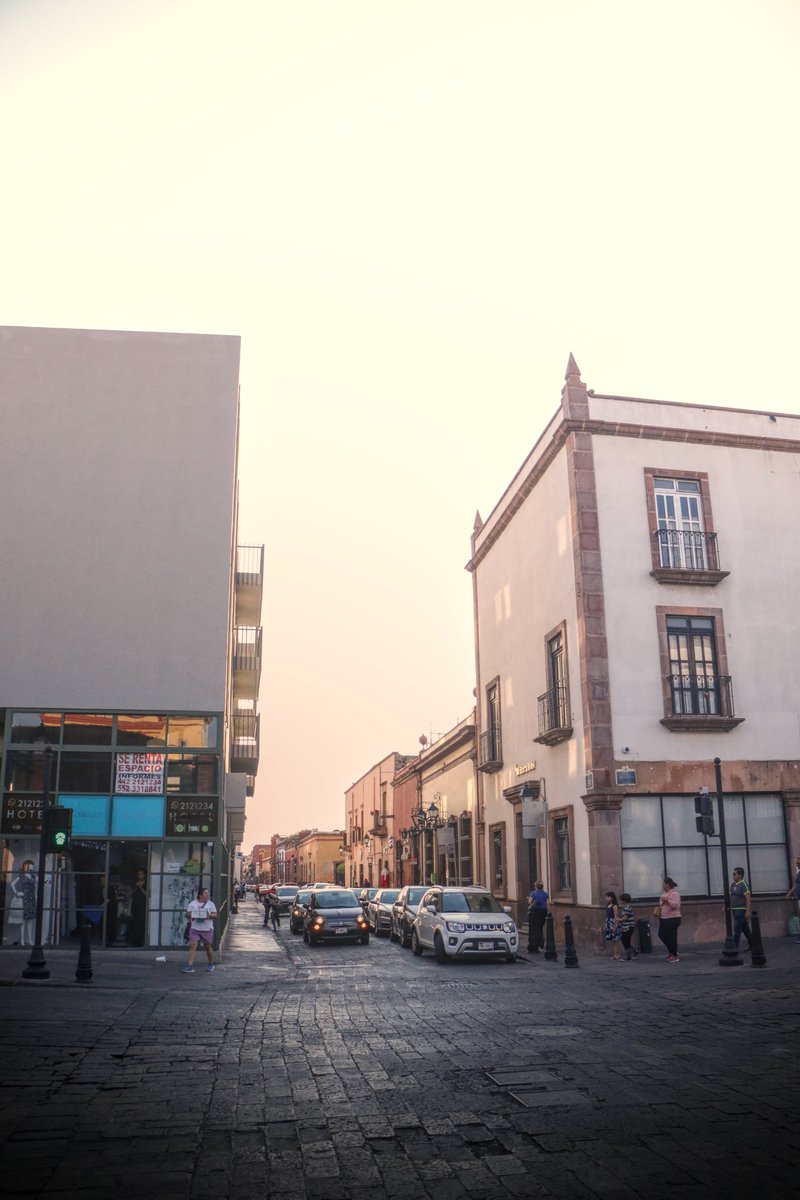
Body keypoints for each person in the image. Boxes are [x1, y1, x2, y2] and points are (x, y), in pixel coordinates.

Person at [182, 886, 217, 973]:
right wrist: (192, 914)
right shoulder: (193, 904)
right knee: (193, 945)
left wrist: (210, 915)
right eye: (205, 893)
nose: (207, 895)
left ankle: (211, 963)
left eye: (208, 893)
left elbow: (215, 915)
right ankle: (189, 966)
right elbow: (187, 914)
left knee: (207, 947)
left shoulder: (210, 904)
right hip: (195, 928)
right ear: (200, 895)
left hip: (207, 929)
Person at [654, 877, 681, 961]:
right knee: (661, 935)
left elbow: (676, 905)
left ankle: (673, 954)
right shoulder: (664, 893)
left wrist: (667, 900)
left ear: (668, 884)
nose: (662, 885)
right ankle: (672, 951)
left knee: (671, 936)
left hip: (673, 918)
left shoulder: (674, 894)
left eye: (664, 883)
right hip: (664, 918)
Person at [12, 861, 37, 947]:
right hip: (25, 898)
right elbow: (12, 884)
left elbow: (39, 884)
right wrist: (16, 893)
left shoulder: (34, 876)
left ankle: (30, 940)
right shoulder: (21, 876)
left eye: (32, 866)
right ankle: (22, 940)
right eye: (30, 866)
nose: (32, 868)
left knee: (30, 920)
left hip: (32, 899)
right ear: (26, 866)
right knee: (23, 920)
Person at [729, 867, 752, 952]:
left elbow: (748, 898)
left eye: (735, 874)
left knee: (737, 928)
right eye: (733, 874)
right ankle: (753, 943)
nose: (733, 875)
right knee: (745, 928)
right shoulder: (733, 885)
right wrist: (725, 907)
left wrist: (747, 911)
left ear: (740, 875)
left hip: (741, 910)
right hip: (734, 910)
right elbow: (731, 897)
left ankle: (735, 947)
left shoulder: (743, 884)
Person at [527, 880, 549, 953]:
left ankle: (539, 942)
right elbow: (547, 904)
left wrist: (529, 899)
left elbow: (530, 902)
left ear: (536, 886)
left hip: (536, 911)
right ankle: (541, 942)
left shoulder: (533, 893)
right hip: (544, 911)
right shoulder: (545, 894)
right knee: (540, 926)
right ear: (542, 887)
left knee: (536, 927)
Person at [129, 868, 147, 947]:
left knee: (141, 924)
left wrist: (141, 887)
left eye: (141, 874)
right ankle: (134, 942)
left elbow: (147, 895)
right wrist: (135, 887)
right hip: (135, 906)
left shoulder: (147, 883)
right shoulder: (134, 883)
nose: (139, 876)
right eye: (138, 874)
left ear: (144, 875)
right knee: (135, 924)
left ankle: (141, 942)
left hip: (143, 907)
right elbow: (130, 894)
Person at [618, 893, 638, 961]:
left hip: (628, 927)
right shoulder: (627, 907)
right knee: (626, 941)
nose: (620, 901)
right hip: (627, 927)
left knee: (625, 941)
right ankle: (635, 951)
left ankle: (628, 956)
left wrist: (619, 920)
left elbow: (625, 918)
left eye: (621, 899)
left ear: (624, 900)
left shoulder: (626, 908)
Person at [603, 891, 622, 961]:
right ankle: (615, 954)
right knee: (613, 940)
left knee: (616, 940)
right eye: (606, 897)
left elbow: (616, 916)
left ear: (612, 897)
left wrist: (614, 926)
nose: (607, 898)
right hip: (609, 923)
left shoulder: (614, 906)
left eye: (608, 897)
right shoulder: (608, 905)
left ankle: (617, 954)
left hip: (613, 923)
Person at [786, 855, 800, 944]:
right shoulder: (798, 873)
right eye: (797, 863)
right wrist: (789, 893)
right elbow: (795, 885)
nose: (797, 865)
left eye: (798, 863)